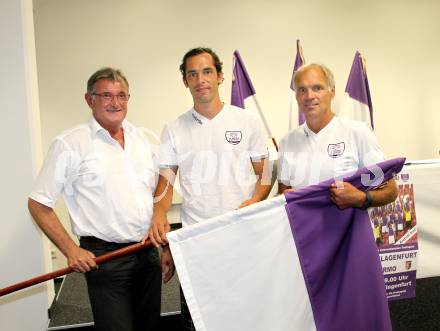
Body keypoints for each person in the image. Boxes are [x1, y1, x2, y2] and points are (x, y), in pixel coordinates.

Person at [28, 67, 174, 331]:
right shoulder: (70, 144)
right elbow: (38, 204)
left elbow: (161, 189)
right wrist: (71, 250)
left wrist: (164, 239)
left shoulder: (144, 139)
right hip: (105, 259)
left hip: (146, 251)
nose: (115, 103)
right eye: (106, 95)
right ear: (89, 99)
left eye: (121, 95)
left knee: (149, 327)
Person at [146, 47, 272, 330]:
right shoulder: (173, 128)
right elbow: (165, 182)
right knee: (199, 321)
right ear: (185, 81)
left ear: (220, 76)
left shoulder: (247, 122)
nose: (200, 79)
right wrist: (158, 212)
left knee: (248, 317)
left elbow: (266, 174)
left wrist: (256, 199)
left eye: (206, 72)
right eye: (192, 74)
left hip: (243, 236)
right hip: (196, 241)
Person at [278, 63, 398, 209]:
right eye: (302, 90)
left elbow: (391, 190)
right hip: (305, 229)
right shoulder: (287, 142)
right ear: (296, 96)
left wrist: (361, 198)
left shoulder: (357, 133)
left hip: (348, 229)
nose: (309, 96)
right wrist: (284, 198)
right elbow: (283, 192)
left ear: (332, 92)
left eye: (317, 88)